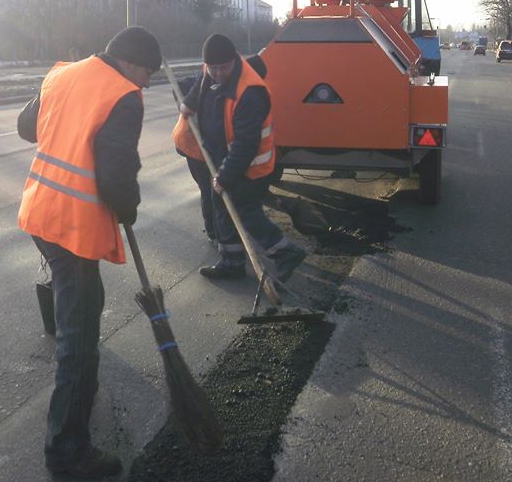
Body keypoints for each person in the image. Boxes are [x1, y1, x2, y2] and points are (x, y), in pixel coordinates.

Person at [17, 25, 162, 480]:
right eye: (148, 74)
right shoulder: (122, 95)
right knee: (78, 344)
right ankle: (67, 451)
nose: (148, 83)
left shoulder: (63, 73)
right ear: (133, 63)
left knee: (82, 306)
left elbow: (26, 128)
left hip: (41, 211)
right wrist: (129, 208)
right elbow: (117, 172)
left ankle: (79, 397)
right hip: (73, 227)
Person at [172, 34, 305, 281]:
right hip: (225, 158)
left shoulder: (250, 93)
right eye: (213, 68)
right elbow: (200, 84)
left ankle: (286, 252)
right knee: (222, 208)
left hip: (249, 166)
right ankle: (232, 263)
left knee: (245, 212)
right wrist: (188, 104)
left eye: (223, 67)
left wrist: (224, 176)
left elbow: (245, 145)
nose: (218, 73)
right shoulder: (209, 70)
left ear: (234, 60)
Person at [174, 53, 268, 248]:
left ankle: (226, 238)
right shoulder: (217, 76)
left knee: (219, 189)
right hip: (195, 144)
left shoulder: (238, 87)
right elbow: (182, 85)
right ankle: (215, 235)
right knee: (210, 190)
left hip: (211, 146)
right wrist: (189, 104)